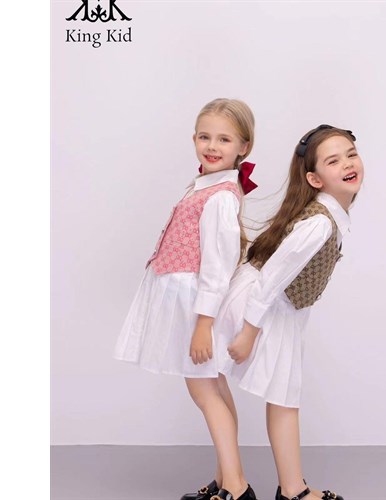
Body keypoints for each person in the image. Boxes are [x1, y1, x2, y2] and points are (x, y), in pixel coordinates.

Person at [113, 98, 258, 500]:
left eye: (224, 139)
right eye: (204, 136)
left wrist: (203, 324)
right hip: (186, 299)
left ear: (243, 146)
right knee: (214, 387)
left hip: (195, 305)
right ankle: (227, 478)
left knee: (204, 392)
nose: (212, 146)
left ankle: (236, 487)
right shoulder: (204, 186)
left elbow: (218, 265)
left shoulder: (221, 196)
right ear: (193, 138)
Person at [216, 124, 364, 500]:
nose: (348, 164)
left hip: (281, 307)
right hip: (263, 304)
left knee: (284, 394)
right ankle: (283, 489)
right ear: (314, 178)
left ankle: (289, 488)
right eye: (334, 160)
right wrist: (249, 332)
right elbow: (271, 278)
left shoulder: (330, 215)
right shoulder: (319, 223)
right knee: (280, 394)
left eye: (351, 154)